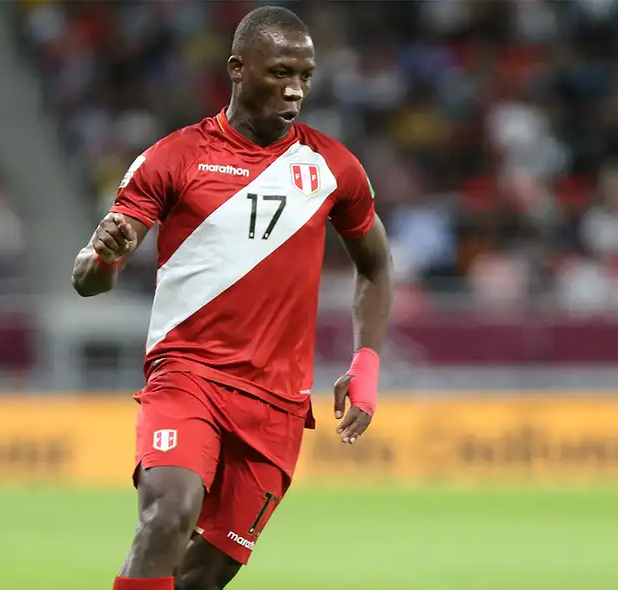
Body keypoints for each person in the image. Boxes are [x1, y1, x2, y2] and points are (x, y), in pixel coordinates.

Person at [71, 7, 393, 590]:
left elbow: (376, 265)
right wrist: (106, 254)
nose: (295, 89)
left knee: (203, 578)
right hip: (187, 376)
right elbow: (89, 278)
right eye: (279, 73)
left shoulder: (333, 168)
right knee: (168, 514)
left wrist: (365, 364)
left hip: (277, 402)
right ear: (238, 69)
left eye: (305, 75)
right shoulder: (175, 158)